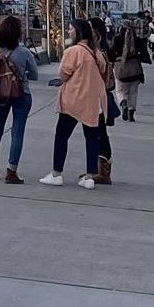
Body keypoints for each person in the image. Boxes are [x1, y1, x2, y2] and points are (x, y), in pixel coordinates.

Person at [39, 19, 107, 190]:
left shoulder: (73, 51)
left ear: (78, 32)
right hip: (93, 101)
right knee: (91, 138)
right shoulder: (95, 52)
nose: (68, 32)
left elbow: (63, 74)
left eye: (70, 29)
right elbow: (104, 68)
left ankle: (56, 173)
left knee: (61, 135)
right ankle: (90, 176)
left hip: (74, 100)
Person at [0, 16, 39, 184]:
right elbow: (34, 75)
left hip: (0, 95)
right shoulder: (24, 52)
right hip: (22, 94)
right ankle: (11, 171)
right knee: (17, 132)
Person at [89, 17, 116, 184]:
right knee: (98, 133)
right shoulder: (101, 49)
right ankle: (98, 169)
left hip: (99, 97)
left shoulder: (100, 52)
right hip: (99, 96)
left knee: (100, 133)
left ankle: (103, 171)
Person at [111, 18, 150, 122]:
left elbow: (111, 52)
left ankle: (123, 103)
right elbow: (144, 54)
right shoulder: (137, 40)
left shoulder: (117, 39)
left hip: (121, 67)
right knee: (133, 93)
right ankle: (131, 113)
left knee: (120, 90)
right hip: (135, 68)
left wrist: (113, 60)